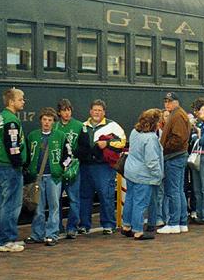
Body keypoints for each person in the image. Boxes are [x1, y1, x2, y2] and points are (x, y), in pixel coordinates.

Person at [76, 99, 126, 235]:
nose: (96, 112)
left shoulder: (113, 125)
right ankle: (84, 225)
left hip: (103, 166)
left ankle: (108, 224)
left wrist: (108, 143)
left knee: (106, 195)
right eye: (94, 110)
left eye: (99, 110)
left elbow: (122, 141)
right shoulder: (83, 126)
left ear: (104, 112)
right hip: (85, 166)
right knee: (84, 196)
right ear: (90, 111)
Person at [25, 107, 73, 246]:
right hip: (38, 177)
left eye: (50, 120)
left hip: (54, 177)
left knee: (54, 206)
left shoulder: (60, 136)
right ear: (40, 121)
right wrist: (29, 168)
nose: (47, 122)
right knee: (38, 207)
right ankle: (37, 234)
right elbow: (28, 154)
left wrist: (61, 167)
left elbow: (68, 154)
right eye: (44, 120)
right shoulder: (32, 136)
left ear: (53, 122)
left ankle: (52, 234)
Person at [0, 88, 27, 253]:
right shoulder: (11, 121)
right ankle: (7, 240)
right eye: (21, 99)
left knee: (0, 203)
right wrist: (19, 164)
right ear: (12, 101)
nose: (23, 101)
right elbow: (13, 146)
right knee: (11, 204)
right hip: (9, 167)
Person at [121, 109, 164, 241]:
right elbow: (151, 161)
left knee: (130, 199)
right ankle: (138, 230)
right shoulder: (150, 138)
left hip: (130, 171)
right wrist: (158, 175)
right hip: (143, 175)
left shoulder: (135, 132)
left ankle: (126, 226)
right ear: (154, 123)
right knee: (140, 203)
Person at [158, 92, 191, 234]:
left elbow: (178, 138)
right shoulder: (179, 114)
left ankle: (173, 223)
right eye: (166, 101)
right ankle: (182, 222)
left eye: (170, 101)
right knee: (178, 190)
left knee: (173, 191)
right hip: (178, 156)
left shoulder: (177, 116)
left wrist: (163, 147)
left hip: (174, 156)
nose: (167, 104)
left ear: (176, 102)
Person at [54, 98, 83, 239]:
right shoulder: (55, 127)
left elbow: (84, 146)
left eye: (69, 110)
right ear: (59, 112)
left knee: (74, 199)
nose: (67, 113)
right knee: (56, 199)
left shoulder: (78, 125)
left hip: (73, 168)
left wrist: (76, 156)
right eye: (64, 110)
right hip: (58, 168)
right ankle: (58, 226)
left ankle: (72, 227)